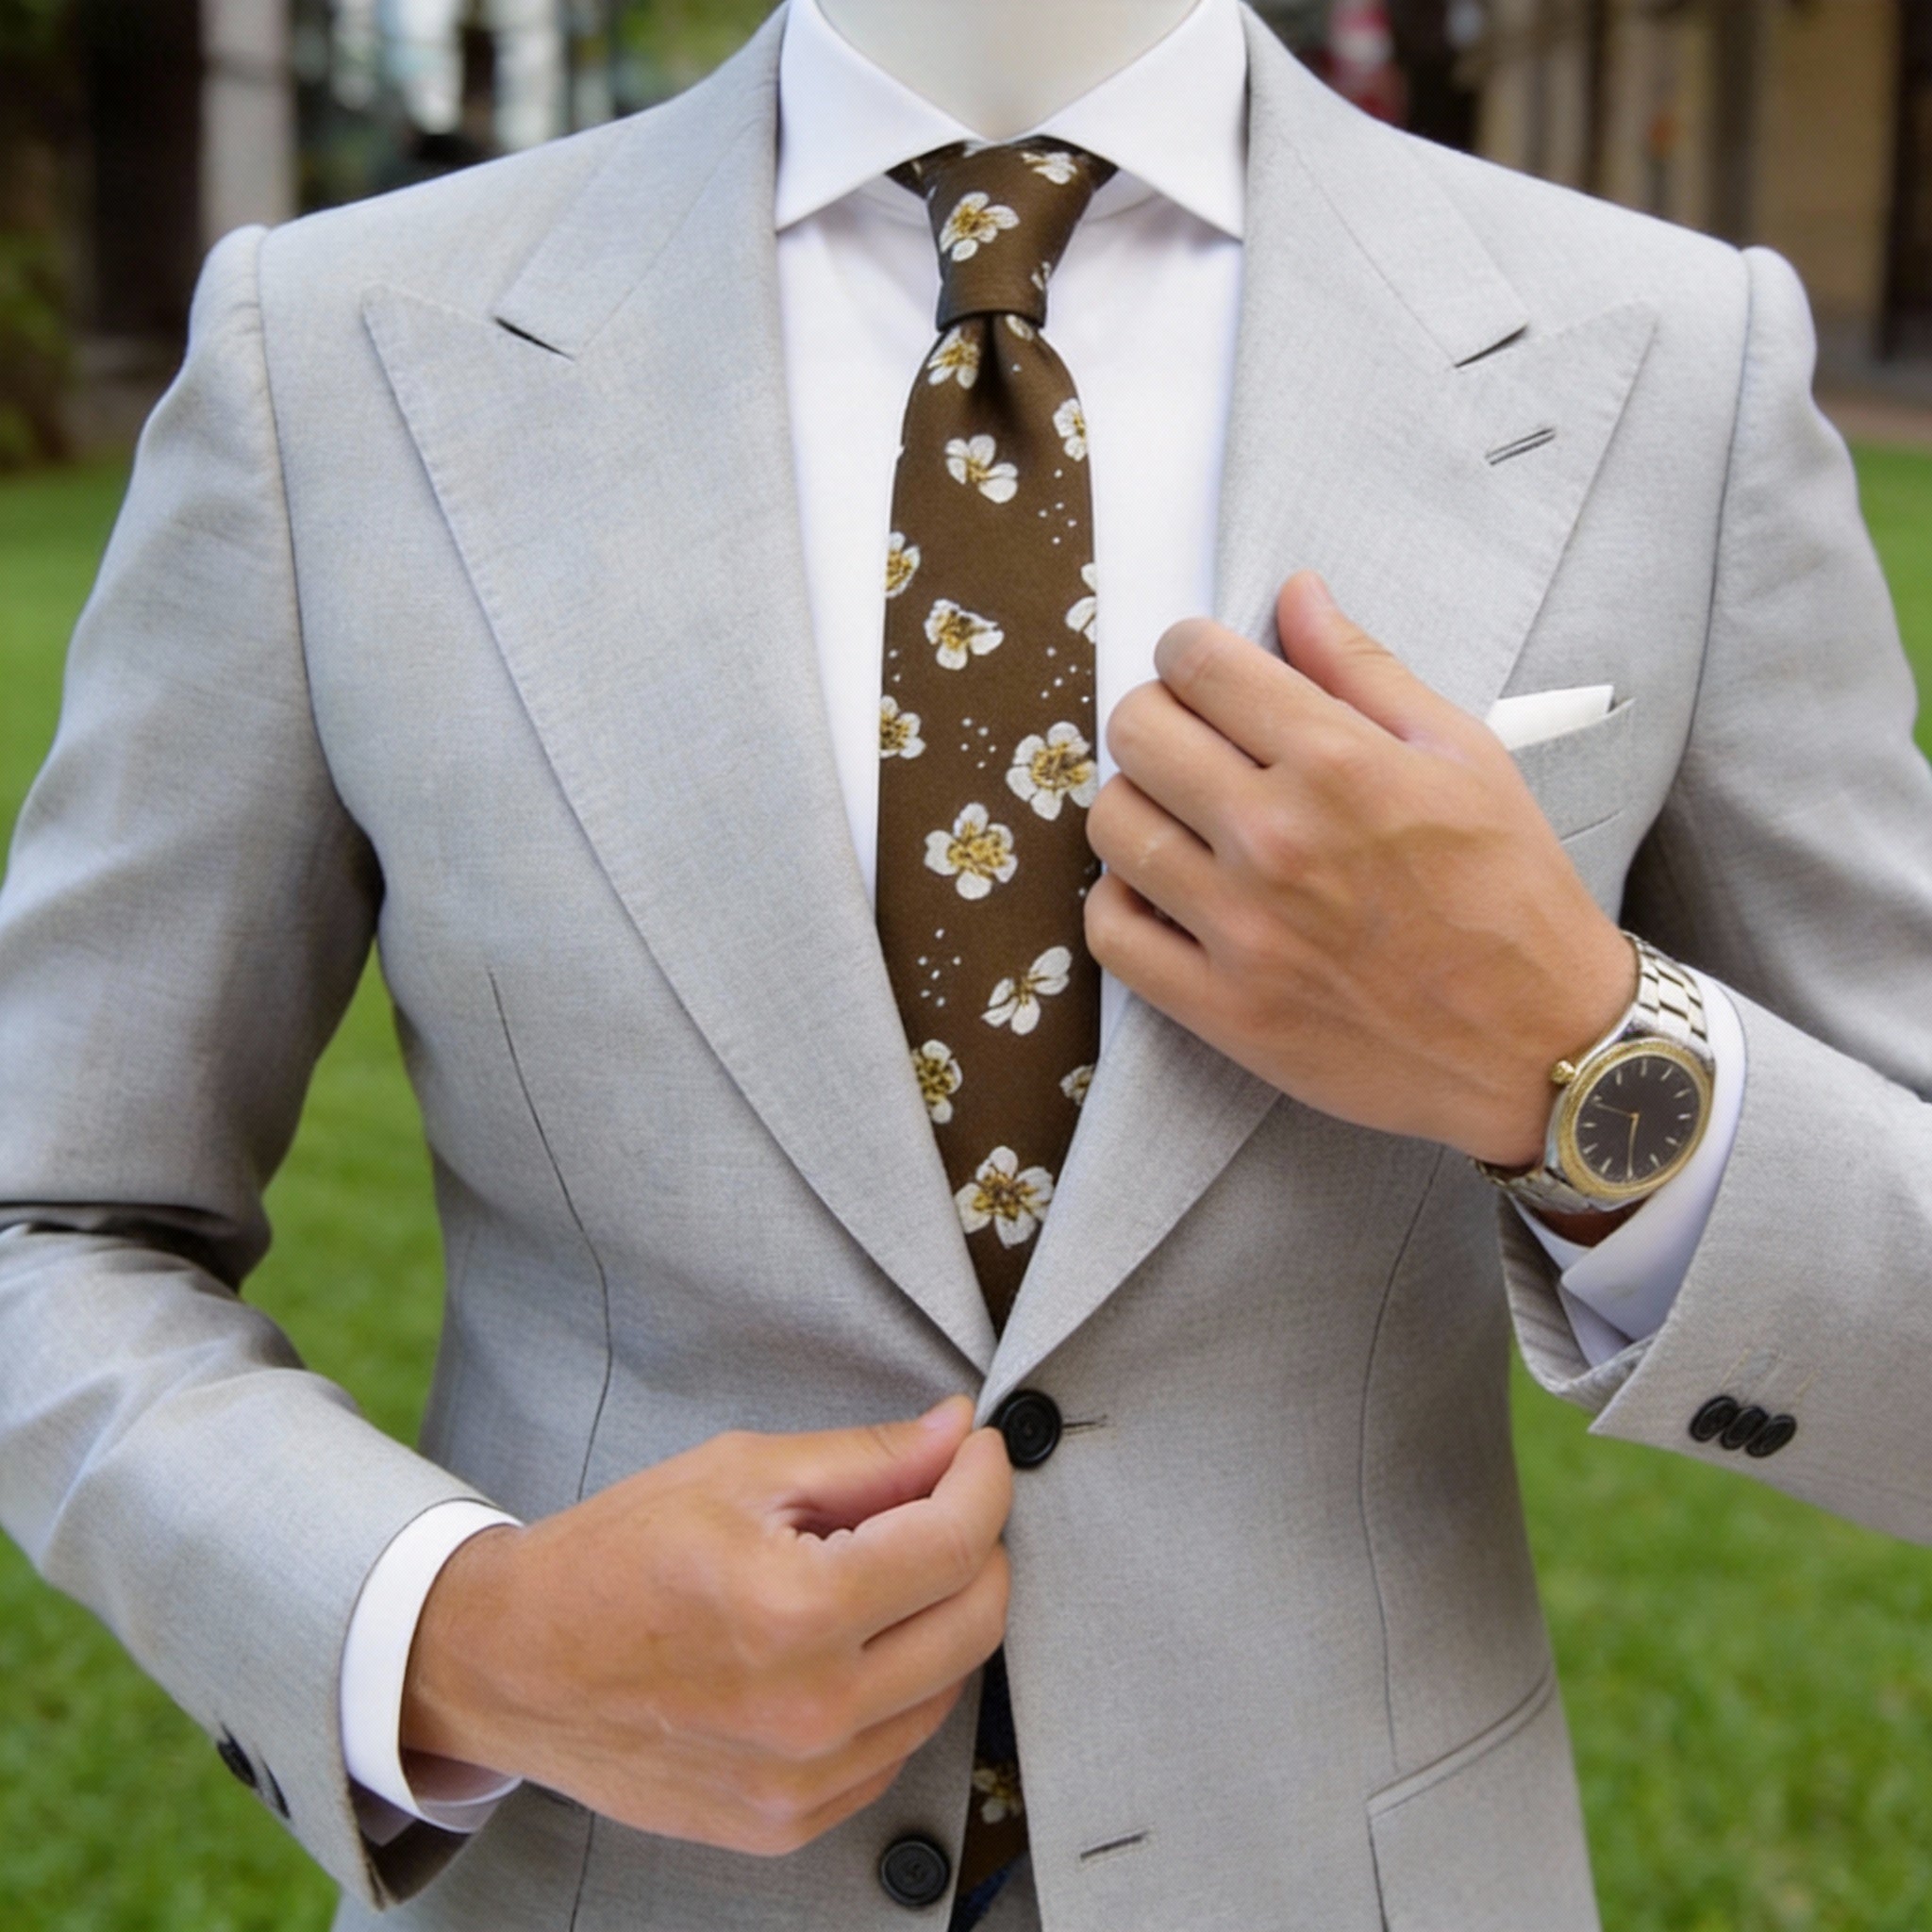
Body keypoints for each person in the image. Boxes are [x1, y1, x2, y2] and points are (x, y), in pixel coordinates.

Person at [2, 1, 1929, 1927]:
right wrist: (460, 1634)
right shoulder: (333, 353)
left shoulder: (1669, 362)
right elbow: (49, 1218)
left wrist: (1575, 1061)